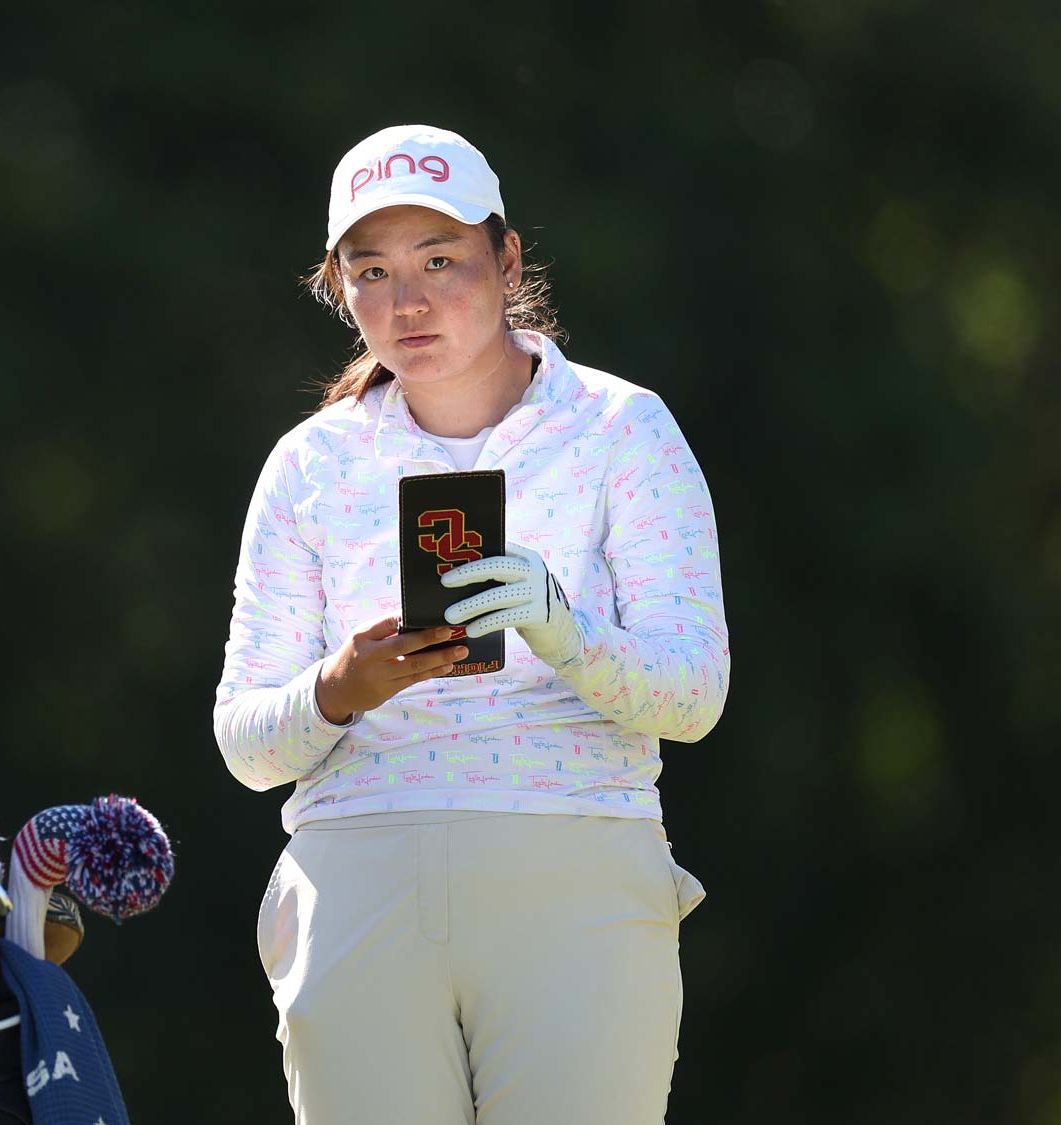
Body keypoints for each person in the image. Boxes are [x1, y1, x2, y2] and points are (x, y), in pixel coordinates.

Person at [213, 124, 728, 1124]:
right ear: (338, 288)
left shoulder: (622, 430)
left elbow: (691, 696)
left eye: (438, 261)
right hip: (355, 874)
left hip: (576, 868)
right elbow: (243, 744)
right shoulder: (309, 463)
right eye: (369, 271)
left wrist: (561, 631)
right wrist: (337, 689)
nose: (404, 303)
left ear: (505, 260)